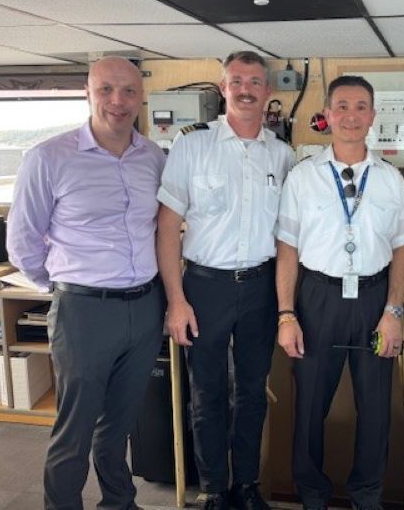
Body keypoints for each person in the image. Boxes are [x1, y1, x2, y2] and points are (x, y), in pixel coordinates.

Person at [7, 56, 166, 510]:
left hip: (144, 306)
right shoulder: (48, 157)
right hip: (83, 312)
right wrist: (62, 286)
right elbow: (22, 241)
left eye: (129, 91)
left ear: (140, 97)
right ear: (88, 93)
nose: (118, 101)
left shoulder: (151, 156)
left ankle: (119, 502)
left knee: (119, 424)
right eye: (106, 90)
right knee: (74, 429)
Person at [276, 75, 404, 510]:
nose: (351, 115)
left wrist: (394, 310)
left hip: (374, 301)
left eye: (361, 107)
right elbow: (287, 249)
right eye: (341, 106)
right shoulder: (302, 178)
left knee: (376, 410)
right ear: (326, 114)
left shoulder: (390, 179)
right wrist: (287, 315)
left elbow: (403, 244)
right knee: (308, 411)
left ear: (373, 116)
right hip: (317, 300)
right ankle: (313, 496)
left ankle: (367, 495)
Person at [156, 51, 295, 510]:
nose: (245, 88)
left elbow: (292, 233)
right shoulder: (191, 146)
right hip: (205, 288)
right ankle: (215, 488)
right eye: (236, 80)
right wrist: (176, 300)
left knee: (253, 392)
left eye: (255, 81)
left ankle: (247, 485)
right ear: (222, 88)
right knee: (207, 393)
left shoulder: (283, 154)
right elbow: (167, 226)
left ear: (268, 92)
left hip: (260, 286)